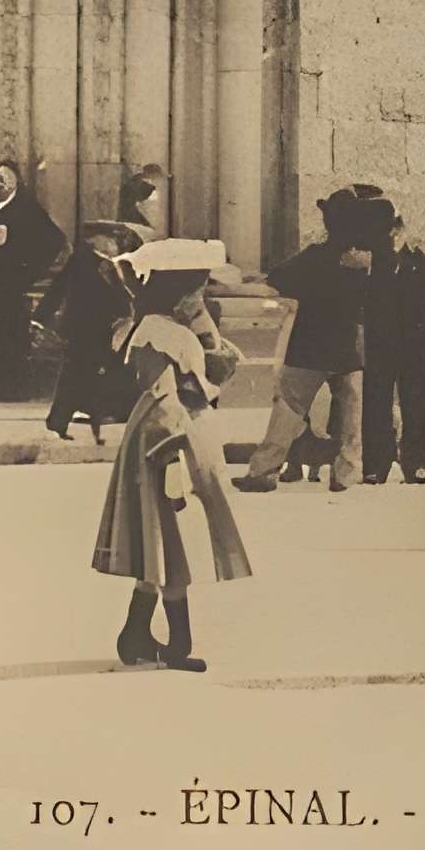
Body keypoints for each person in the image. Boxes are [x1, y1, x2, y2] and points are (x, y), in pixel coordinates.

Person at [91, 238, 253, 672]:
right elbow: (164, 397)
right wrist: (172, 460)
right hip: (167, 442)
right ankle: (178, 643)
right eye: (196, 289)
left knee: (159, 541)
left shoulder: (172, 328)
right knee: (172, 542)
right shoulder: (161, 334)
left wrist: (204, 329)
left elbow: (213, 370)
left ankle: (135, 634)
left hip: (173, 435)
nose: (201, 297)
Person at [240, 184, 380, 494]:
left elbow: (279, 278)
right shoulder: (368, 262)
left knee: (288, 409)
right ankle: (345, 474)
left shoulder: (315, 256)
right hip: (349, 347)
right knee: (351, 415)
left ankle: (263, 472)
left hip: (309, 346)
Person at [360, 206, 425, 486]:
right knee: (376, 404)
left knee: (416, 405)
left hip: (416, 347)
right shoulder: (370, 265)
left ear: (401, 230)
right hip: (379, 346)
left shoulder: (423, 261)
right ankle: (376, 464)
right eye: (383, 232)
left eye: (394, 230)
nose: (390, 237)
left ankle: (416, 465)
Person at [0, 157, 67, 401]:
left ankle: (14, 389)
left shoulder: (27, 208)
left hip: (12, 285)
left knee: (12, 335)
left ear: (16, 182)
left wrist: (27, 269)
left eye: (5, 178)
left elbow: (55, 240)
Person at [44, 219, 148, 442]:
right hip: (82, 328)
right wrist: (41, 317)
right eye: (110, 240)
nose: (113, 245)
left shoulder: (114, 264)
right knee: (75, 373)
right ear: (97, 240)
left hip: (104, 328)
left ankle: (91, 418)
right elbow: (58, 288)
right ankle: (61, 420)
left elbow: (121, 295)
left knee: (92, 373)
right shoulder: (81, 261)